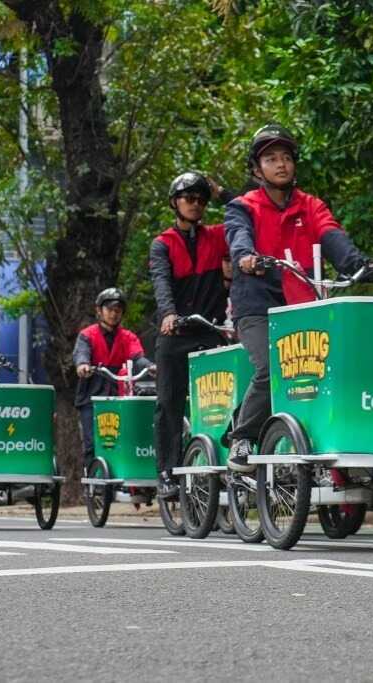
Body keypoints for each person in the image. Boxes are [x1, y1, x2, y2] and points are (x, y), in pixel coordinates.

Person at [224, 123, 373, 472]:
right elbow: (238, 237)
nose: (281, 164)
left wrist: (361, 267)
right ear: (257, 169)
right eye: (271, 158)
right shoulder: (243, 206)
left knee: (332, 368)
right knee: (271, 367)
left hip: (302, 304)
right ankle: (242, 436)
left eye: (286, 157)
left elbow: (334, 238)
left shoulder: (310, 206)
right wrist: (245, 257)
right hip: (256, 303)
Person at [150, 171, 230, 498]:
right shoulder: (162, 244)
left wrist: (222, 192)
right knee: (169, 402)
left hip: (209, 333)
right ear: (175, 203)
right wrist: (169, 314)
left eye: (201, 199)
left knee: (223, 399)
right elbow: (161, 282)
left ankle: (221, 464)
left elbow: (248, 213)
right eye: (189, 199)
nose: (196, 204)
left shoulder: (216, 236)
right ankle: (166, 472)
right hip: (176, 333)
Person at [73, 288, 155, 471]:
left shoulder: (128, 337)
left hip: (118, 393)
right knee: (91, 442)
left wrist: (150, 367)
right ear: (99, 311)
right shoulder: (87, 335)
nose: (113, 314)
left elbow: (138, 357)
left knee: (123, 439)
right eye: (109, 309)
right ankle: (93, 481)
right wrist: (83, 365)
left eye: (117, 310)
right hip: (91, 395)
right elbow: (81, 354)